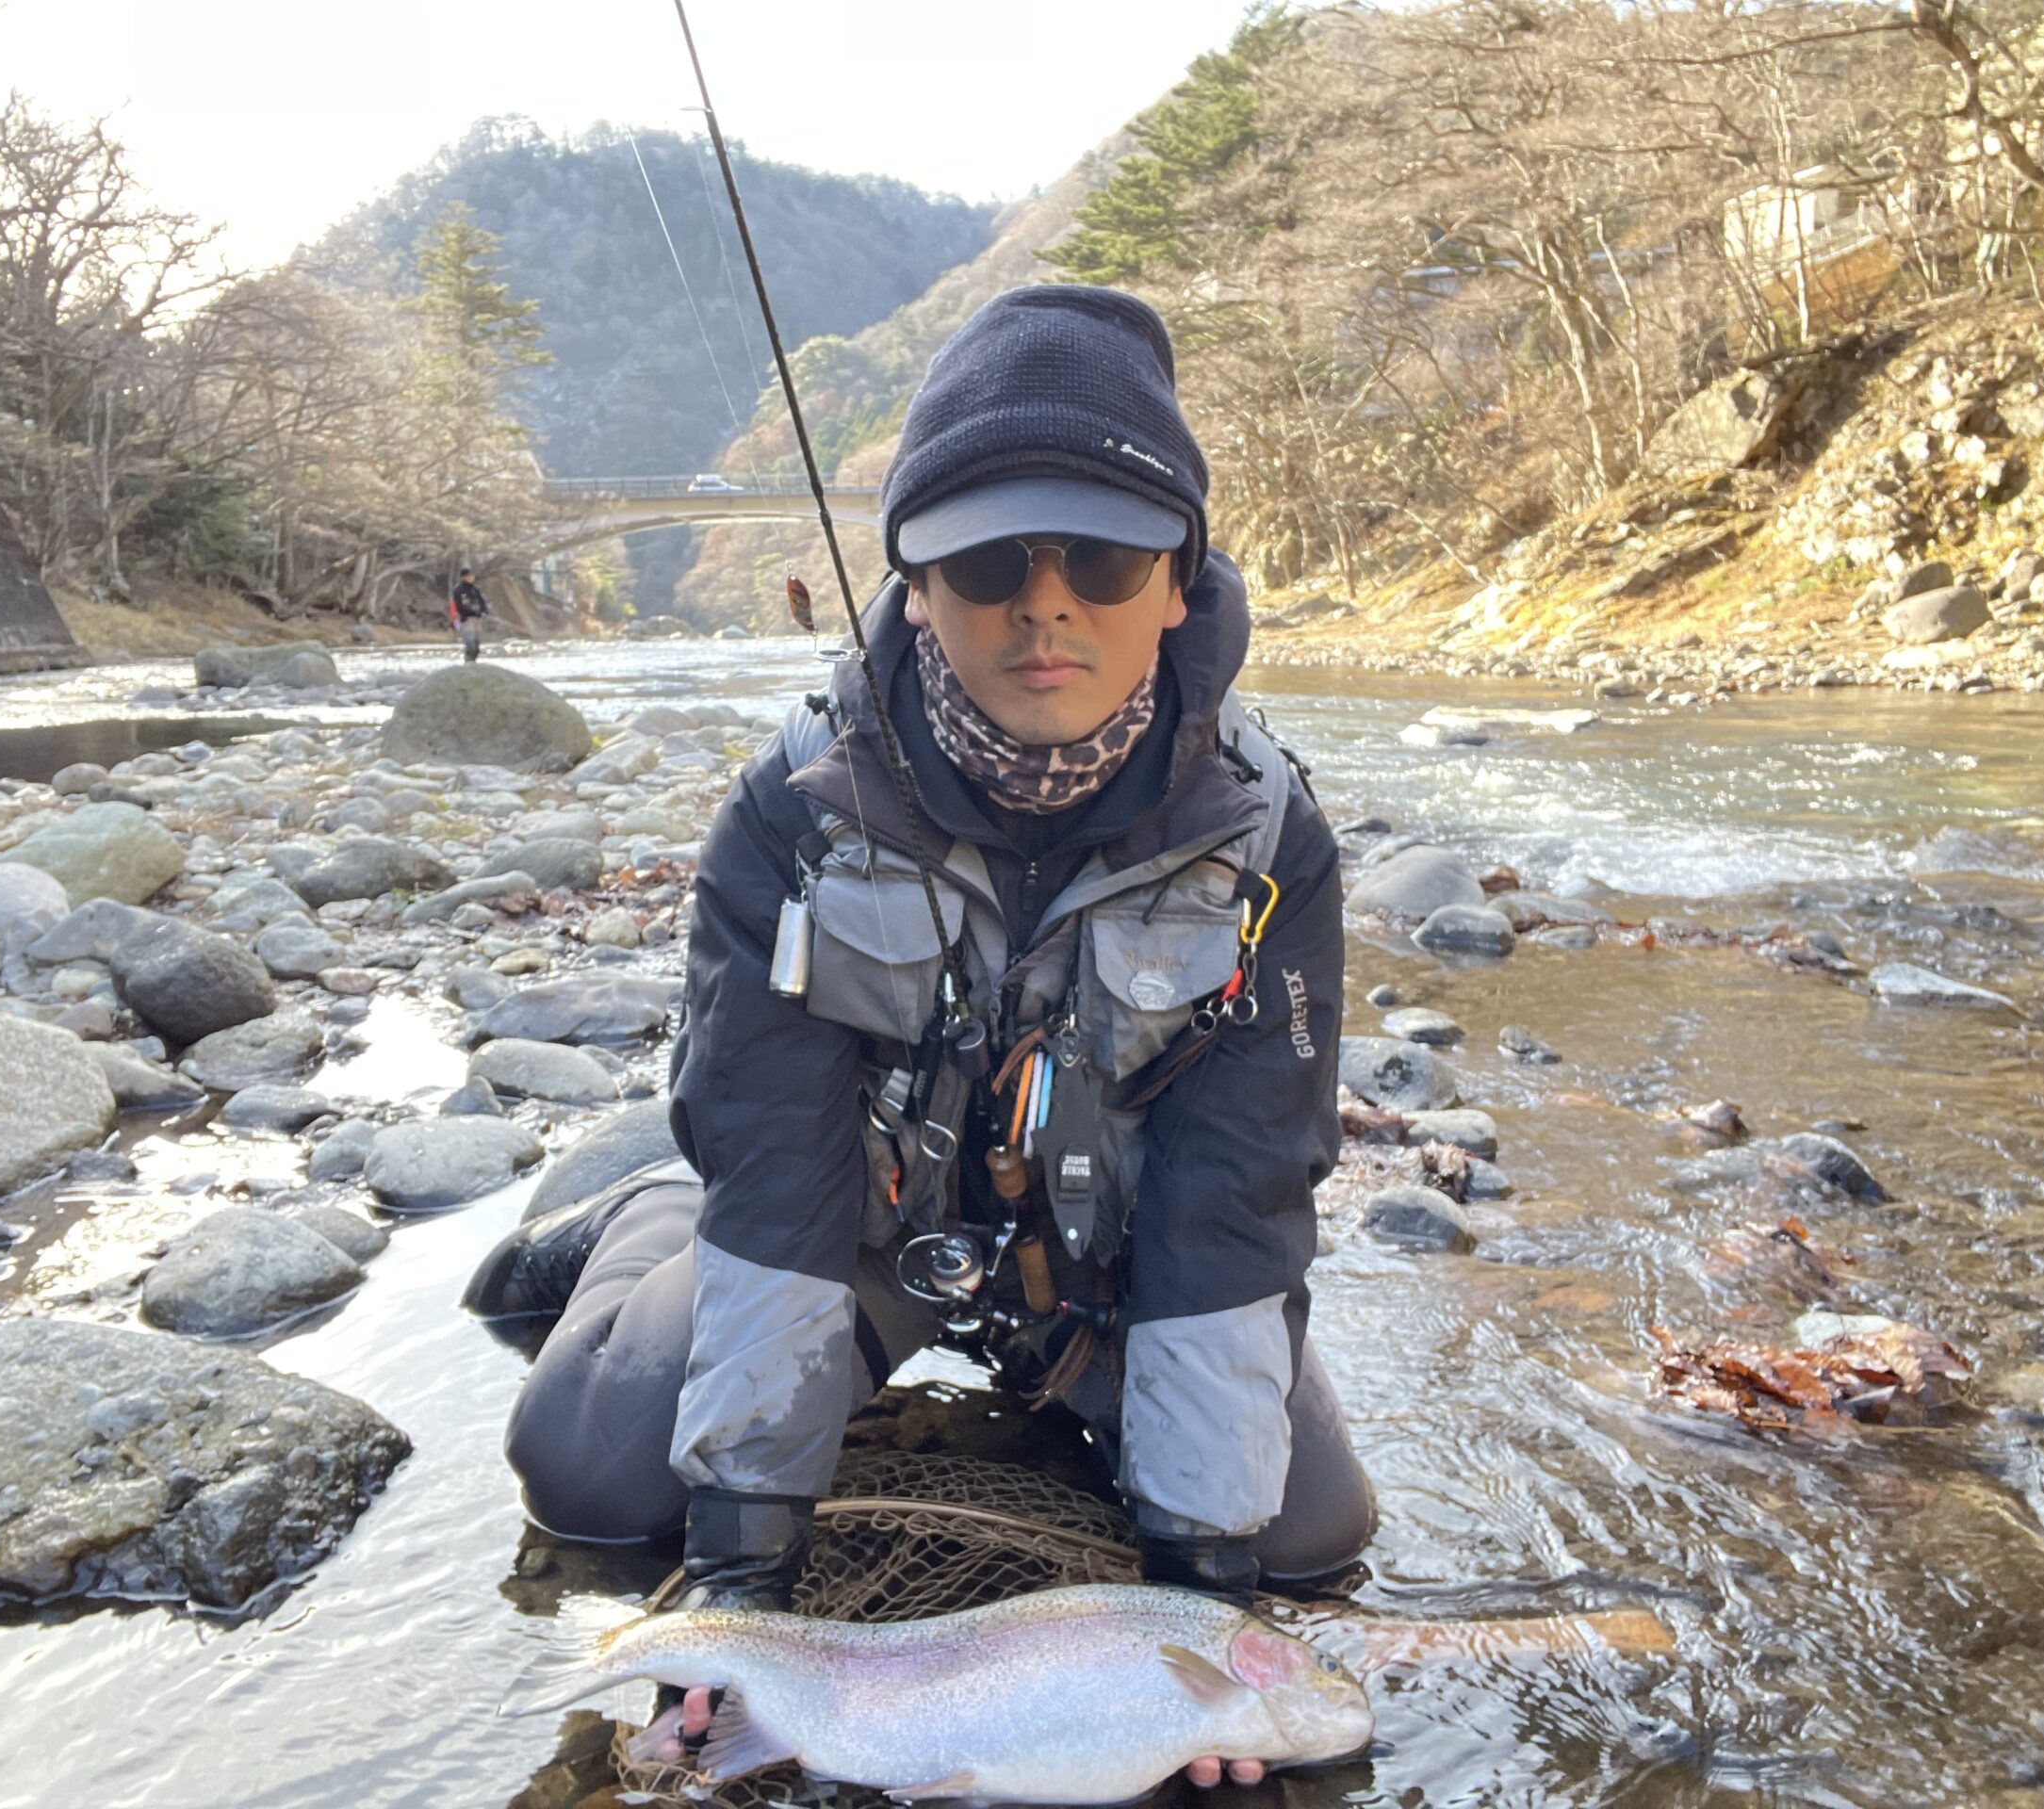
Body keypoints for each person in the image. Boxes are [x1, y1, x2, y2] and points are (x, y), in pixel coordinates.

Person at [466, 285, 1371, 1785]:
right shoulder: (790, 816)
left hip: (1119, 1268)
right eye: (987, 555)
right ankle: (640, 1220)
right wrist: (743, 1587)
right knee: (589, 1486)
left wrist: (1198, 1596)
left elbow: (1237, 1194)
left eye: (1102, 553)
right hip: (849, 1234)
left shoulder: (1274, 841)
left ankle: (1129, 1461)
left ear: (1178, 577)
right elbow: (778, 1174)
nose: (1046, 601)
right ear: (915, 576)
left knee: (1301, 1534)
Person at [449, 566, 488, 662]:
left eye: (472, 575)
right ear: (463, 577)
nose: (471, 577)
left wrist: (484, 611)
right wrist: (473, 612)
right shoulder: (458, 590)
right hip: (466, 621)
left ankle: (473, 663)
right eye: (468, 576)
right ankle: (468, 664)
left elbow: (482, 602)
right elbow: (459, 607)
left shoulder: (475, 589)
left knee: (477, 646)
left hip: (477, 620)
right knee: (470, 645)